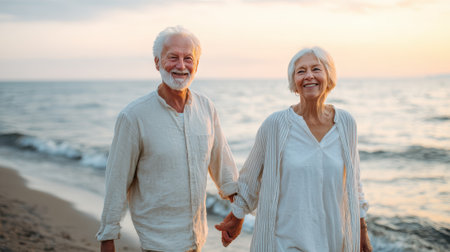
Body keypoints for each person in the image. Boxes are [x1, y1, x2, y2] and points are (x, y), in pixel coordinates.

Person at [96, 26, 239, 252]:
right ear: (157, 62)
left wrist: (238, 212)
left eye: (188, 58)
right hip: (156, 243)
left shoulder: (206, 108)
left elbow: (224, 166)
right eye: (173, 57)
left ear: (197, 65)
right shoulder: (133, 116)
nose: (181, 66)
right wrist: (107, 236)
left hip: (197, 240)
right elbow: (117, 181)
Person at [215, 47, 372, 252]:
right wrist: (236, 217)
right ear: (294, 82)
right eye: (301, 71)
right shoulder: (275, 125)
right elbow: (250, 179)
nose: (309, 76)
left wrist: (361, 230)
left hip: (333, 240)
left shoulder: (346, 124)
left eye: (316, 69)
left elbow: (355, 183)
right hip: (284, 241)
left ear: (328, 76)